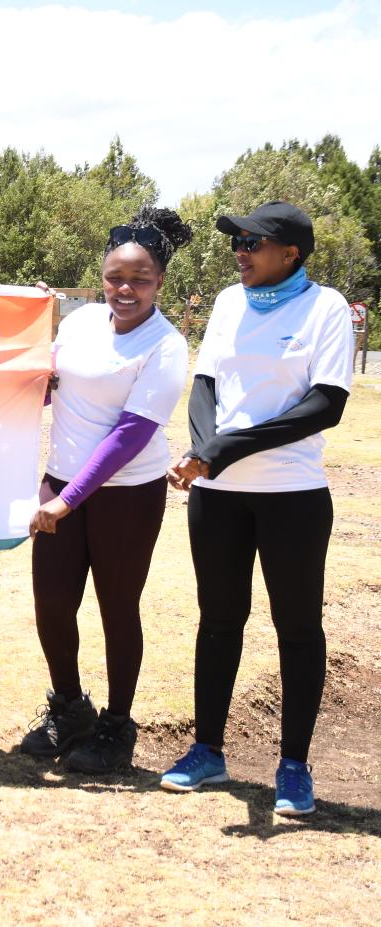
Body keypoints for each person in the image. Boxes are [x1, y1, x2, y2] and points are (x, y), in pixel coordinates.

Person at [161, 202, 353, 815]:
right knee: (218, 621)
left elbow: (325, 405)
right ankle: (207, 751)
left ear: (291, 253)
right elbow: (205, 387)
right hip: (217, 497)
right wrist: (204, 452)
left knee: (297, 628)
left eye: (252, 243)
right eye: (236, 243)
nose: (239, 253)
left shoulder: (325, 308)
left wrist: (224, 450)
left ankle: (294, 766)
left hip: (292, 494)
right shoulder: (227, 303)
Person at [18, 207, 191, 773]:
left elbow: (130, 434)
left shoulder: (166, 346)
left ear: (160, 281)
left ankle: (117, 725)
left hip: (126, 494)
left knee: (117, 607)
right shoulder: (80, 323)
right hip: (60, 479)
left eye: (140, 279)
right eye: (116, 277)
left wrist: (67, 499)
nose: (126, 289)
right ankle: (70, 708)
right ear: (102, 276)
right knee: (52, 601)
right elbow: (52, 388)